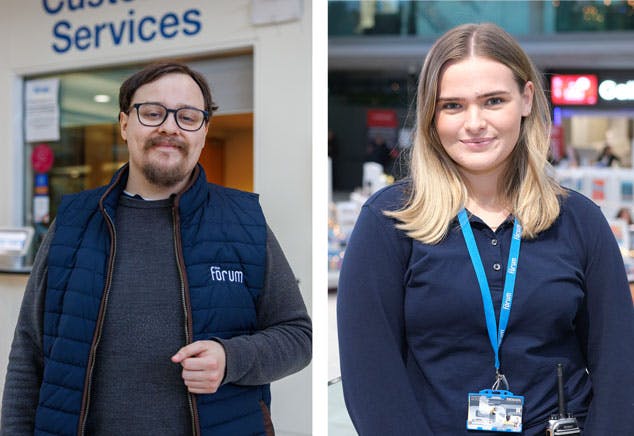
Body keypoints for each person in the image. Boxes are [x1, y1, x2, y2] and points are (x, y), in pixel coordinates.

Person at [337, 23, 633, 436]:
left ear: (526, 100)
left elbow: (620, 365)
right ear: (431, 115)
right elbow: (371, 378)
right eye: (452, 106)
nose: (474, 123)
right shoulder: (390, 219)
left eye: (493, 101)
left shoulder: (579, 220)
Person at [1, 62, 312, 435]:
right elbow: (29, 353)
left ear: (203, 131)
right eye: (152, 113)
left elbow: (297, 335)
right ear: (124, 124)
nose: (169, 127)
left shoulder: (244, 221)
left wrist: (232, 359)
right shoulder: (73, 222)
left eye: (187, 116)